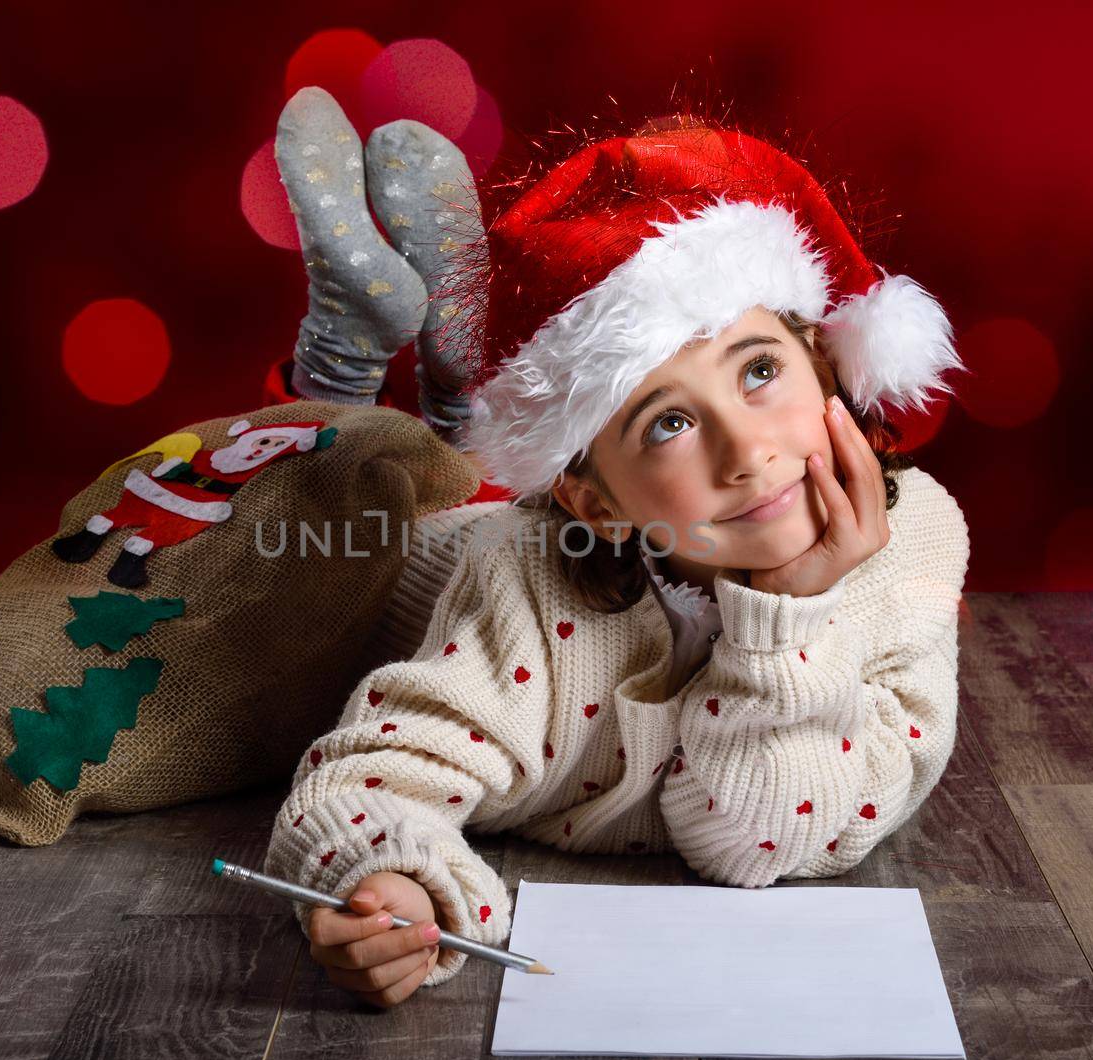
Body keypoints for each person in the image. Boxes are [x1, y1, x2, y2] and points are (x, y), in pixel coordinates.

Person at [263, 114, 971, 1009]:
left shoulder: (916, 540)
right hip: (407, 546)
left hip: (556, 503)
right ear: (595, 502)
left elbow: (756, 840)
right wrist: (392, 880)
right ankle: (351, 355)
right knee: (344, 483)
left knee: (454, 450)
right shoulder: (524, 574)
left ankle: (454, 351)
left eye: (758, 371)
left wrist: (788, 615)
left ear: (824, 369)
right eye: (669, 422)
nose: (747, 452)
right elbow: (367, 778)